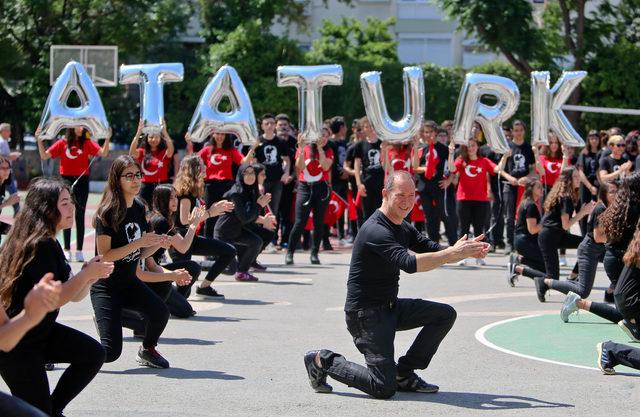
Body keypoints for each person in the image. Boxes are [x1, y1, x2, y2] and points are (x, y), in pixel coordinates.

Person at [303, 170, 489, 399]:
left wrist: (461, 250)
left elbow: (429, 247)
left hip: (390, 307)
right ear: (385, 193)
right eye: (401, 195)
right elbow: (409, 263)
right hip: (365, 316)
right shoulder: (376, 230)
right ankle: (322, 360)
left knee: (444, 314)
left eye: (412, 195)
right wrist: (451, 254)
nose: (408, 201)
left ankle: (404, 372)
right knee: (382, 387)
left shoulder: (402, 225)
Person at [0, 178, 113, 416]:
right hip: (19, 344)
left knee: (92, 354)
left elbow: (74, 295)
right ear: (46, 208)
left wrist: (88, 276)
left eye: (71, 201)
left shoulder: (50, 241)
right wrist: (84, 277)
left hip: (40, 332)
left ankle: (54, 409)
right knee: (36, 411)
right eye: (64, 203)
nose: (72, 207)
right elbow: (56, 298)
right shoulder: (39, 245)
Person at [91, 155, 192, 369]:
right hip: (106, 287)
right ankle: (52, 353)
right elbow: (105, 255)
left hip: (129, 282)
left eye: (138, 175)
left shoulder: (138, 206)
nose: (136, 180)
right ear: (116, 179)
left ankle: (147, 349)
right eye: (129, 176)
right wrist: (138, 243)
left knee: (160, 312)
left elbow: (143, 252)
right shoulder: (107, 213)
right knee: (109, 353)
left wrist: (158, 244)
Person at [36, 126, 111, 262]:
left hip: (82, 180)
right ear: (71, 127)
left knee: (80, 215)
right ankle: (66, 249)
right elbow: (44, 155)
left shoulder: (87, 143)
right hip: (66, 180)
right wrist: (39, 140)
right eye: (78, 125)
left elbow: (103, 153)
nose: (81, 128)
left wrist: (107, 137)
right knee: (65, 213)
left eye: (82, 125)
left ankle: (80, 251)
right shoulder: (62, 143)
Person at [171, 155, 236, 297]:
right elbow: (184, 221)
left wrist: (215, 208)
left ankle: (204, 287)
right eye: (202, 165)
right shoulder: (185, 193)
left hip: (191, 238)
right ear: (194, 170)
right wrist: (210, 213)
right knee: (183, 293)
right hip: (180, 241)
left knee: (229, 252)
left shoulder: (195, 190)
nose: (206, 167)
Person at [447, 138, 515, 266]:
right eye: (469, 146)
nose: (471, 148)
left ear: (477, 147)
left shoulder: (484, 161)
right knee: (463, 229)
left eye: (473, 145)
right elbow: (451, 168)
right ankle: (462, 256)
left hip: (480, 200)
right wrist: (451, 153)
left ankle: (479, 256)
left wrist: (505, 156)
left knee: (479, 229)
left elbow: (498, 169)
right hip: (463, 199)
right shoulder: (461, 160)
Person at [534, 167, 596, 302]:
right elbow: (566, 225)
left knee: (585, 244)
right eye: (575, 177)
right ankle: (541, 282)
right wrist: (583, 213)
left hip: (556, 235)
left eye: (578, 177)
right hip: (549, 236)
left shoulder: (566, 194)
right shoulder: (565, 197)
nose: (578, 179)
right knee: (553, 277)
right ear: (568, 180)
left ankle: (574, 275)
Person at [149, 184, 209, 317]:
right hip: (150, 272)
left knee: (192, 267)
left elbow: (182, 246)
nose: (175, 201)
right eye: (170, 198)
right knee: (185, 311)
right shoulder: (160, 221)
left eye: (176, 197)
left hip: (156, 267)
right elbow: (183, 247)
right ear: (161, 200)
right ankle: (167, 301)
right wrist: (193, 225)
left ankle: (176, 298)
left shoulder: (165, 218)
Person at [214, 164, 276, 281]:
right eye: (246, 173)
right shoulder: (235, 194)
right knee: (229, 269)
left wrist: (262, 218)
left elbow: (250, 216)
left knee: (256, 241)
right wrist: (259, 206)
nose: (249, 176)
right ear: (240, 176)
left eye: (252, 173)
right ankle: (199, 266)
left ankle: (242, 272)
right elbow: (244, 217)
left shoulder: (252, 191)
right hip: (224, 233)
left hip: (237, 230)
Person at [285, 130, 334, 265]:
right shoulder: (304, 148)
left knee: (319, 222)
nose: (323, 138)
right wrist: (300, 148)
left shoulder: (328, 150)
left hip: (321, 187)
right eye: (320, 135)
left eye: (325, 136)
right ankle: (290, 252)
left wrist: (319, 148)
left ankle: (314, 253)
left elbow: (325, 166)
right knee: (300, 222)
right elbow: (299, 166)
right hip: (305, 187)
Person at [197, 132, 254, 239]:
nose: (220, 136)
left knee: (227, 214)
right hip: (210, 186)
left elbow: (243, 162)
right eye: (217, 134)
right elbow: (194, 161)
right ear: (213, 135)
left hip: (227, 187)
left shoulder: (231, 150)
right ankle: (209, 245)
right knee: (210, 215)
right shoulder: (206, 150)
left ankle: (224, 242)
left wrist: (252, 150)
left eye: (223, 134)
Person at [597, 172, 640, 302]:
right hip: (622, 260)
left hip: (613, 259)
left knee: (624, 306)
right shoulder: (634, 209)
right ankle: (582, 303)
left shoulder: (618, 206)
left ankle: (585, 304)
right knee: (627, 307)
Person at [414, 121, 455, 245]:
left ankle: (453, 243)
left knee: (444, 214)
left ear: (436, 133)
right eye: (426, 132)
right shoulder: (421, 149)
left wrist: (448, 181)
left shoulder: (444, 149)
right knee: (429, 216)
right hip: (424, 186)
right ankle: (433, 244)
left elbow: (452, 168)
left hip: (438, 185)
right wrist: (426, 169)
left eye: (431, 132)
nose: (428, 135)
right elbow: (415, 167)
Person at [253, 113, 291, 244]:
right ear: (262, 126)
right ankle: (258, 239)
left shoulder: (280, 142)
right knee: (258, 210)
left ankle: (271, 240)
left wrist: (286, 173)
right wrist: (258, 182)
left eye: (271, 123)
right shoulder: (258, 142)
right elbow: (254, 163)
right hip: (261, 181)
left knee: (273, 210)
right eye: (266, 123)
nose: (269, 126)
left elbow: (286, 160)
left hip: (276, 181)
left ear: (275, 125)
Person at [508, 178, 546, 286]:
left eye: (541, 187)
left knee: (545, 268)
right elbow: (532, 229)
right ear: (531, 189)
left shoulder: (528, 202)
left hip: (523, 240)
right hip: (525, 241)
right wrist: (546, 223)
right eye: (538, 187)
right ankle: (517, 268)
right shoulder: (531, 205)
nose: (542, 189)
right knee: (547, 272)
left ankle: (519, 260)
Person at [129, 120, 174, 207]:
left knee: (162, 210)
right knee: (142, 209)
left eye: (157, 137)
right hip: (145, 187)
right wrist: (138, 132)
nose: (154, 139)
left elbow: (171, 149)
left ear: (160, 138)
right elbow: (131, 152)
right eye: (151, 137)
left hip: (161, 185)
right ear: (147, 138)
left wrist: (164, 131)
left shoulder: (164, 153)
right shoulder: (142, 152)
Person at [354, 117, 384, 221]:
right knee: (367, 214)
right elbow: (357, 165)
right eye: (366, 126)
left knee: (381, 213)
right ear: (363, 129)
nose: (369, 128)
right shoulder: (360, 145)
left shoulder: (382, 143)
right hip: (366, 183)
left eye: (371, 126)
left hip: (381, 183)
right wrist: (359, 184)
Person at [576, 130, 603, 234]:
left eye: (596, 138)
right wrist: (590, 187)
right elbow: (581, 172)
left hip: (599, 184)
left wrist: (599, 186)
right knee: (584, 210)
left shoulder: (602, 153)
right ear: (588, 140)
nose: (594, 141)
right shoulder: (584, 154)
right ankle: (583, 235)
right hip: (586, 184)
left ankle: (598, 234)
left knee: (600, 210)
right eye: (592, 138)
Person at [0, 123, 20, 215]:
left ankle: (17, 210)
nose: (10, 133)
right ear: (2, 131)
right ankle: (17, 211)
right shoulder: (2, 142)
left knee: (12, 191)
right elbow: (1, 156)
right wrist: (12, 156)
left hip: (6, 171)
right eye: (8, 130)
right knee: (13, 192)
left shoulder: (4, 141)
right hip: (5, 172)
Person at [0, 156, 19, 237]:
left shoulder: (3, 184)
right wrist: (7, 203)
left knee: (19, 231)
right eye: (3, 168)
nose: (6, 170)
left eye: (8, 168)